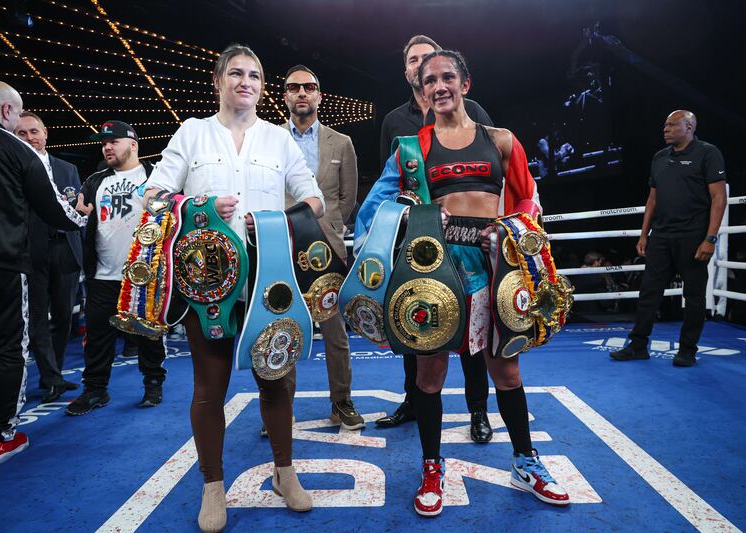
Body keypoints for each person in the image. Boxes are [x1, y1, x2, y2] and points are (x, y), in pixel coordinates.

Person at [356, 51, 569, 517]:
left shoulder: (502, 141)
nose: (439, 86)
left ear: (465, 84)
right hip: (436, 272)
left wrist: (510, 230)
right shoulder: (411, 150)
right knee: (430, 373)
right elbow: (373, 212)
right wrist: (417, 214)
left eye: (447, 76)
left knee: (506, 370)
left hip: (496, 269)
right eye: (429, 80)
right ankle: (432, 466)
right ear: (422, 90)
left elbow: (530, 204)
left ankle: (525, 462)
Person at [144, 44, 325, 532]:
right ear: (219, 80)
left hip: (269, 277)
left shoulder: (277, 139)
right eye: (237, 73)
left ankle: (285, 473)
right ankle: (213, 485)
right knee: (209, 386)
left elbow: (314, 199)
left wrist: (272, 222)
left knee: (276, 378)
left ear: (262, 86)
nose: (246, 81)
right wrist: (200, 205)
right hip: (208, 283)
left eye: (255, 75)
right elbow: (155, 194)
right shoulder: (193, 132)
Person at [375, 35, 494, 444]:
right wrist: (406, 218)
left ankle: (479, 411)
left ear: (460, 81)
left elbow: (492, 174)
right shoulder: (395, 122)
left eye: (435, 63)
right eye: (416, 62)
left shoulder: (474, 113)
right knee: (417, 330)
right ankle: (414, 402)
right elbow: (387, 187)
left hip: (472, 249)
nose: (426, 70)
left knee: (475, 342)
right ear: (411, 73)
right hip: (417, 245)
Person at [0, 81, 88, 464]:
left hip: (19, 260)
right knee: (10, 350)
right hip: (2, 262)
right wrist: (81, 217)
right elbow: (55, 209)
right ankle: (0, 438)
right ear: (8, 111)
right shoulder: (14, 148)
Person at [281, 64, 364, 430]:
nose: (302, 92)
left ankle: (341, 402)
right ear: (284, 95)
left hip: (328, 250)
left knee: (335, 332)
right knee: (281, 329)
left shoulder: (341, 142)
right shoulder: (267, 139)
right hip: (279, 247)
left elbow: (347, 199)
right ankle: (279, 408)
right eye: (294, 87)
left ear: (318, 96)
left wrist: (327, 227)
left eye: (309, 87)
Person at [66, 121, 168, 415]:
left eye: (114, 141)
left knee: (148, 333)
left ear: (133, 144)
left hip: (145, 273)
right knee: (97, 336)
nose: (107, 147)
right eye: (103, 143)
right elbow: (81, 214)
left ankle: (153, 383)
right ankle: (95, 390)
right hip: (103, 273)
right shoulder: (95, 181)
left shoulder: (155, 176)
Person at [611, 110, 727, 367]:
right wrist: (644, 234)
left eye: (672, 125)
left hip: (693, 235)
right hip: (661, 236)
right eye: (665, 125)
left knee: (694, 295)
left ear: (689, 127)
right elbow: (652, 199)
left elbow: (719, 198)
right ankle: (638, 345)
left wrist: (710, 238)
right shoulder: (659, 157)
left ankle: (688, 350)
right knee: (648, 292)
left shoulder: (708, 153)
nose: (665, 129)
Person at [14, 111, 83, 403]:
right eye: (22, 133)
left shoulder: (67, 168)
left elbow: (77, 209)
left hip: (65, 249)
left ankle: (51, 374)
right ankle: (51, 377)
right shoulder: (13, 169)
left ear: (45, 133)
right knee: (39, 318)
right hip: (32, 251)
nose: (30, 138)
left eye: (34, 131)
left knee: (65, 316)